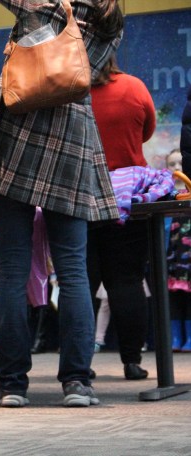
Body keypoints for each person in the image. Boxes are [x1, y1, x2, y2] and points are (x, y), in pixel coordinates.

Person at [0, 0, 124, 407]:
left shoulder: (44, 4)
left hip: (17, 135)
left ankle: (12, 385)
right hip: (71, 142)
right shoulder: (111, 18)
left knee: (13, 270)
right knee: (73, 271)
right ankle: (77, 382)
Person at [87, 54, 156, 380]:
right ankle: (132, 361)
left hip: (83, 195)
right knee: (127, 280)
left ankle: (78, 364)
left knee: (81, 282)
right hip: (128, 197)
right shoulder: (134, 87)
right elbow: (146, 132)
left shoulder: (72, 94)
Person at [166, 149, 191, 352]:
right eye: (172, 164)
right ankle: (175, 337)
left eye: (180, 163)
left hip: (188, 257)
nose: (176, 167)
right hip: (171, 257)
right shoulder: (164, 192)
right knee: (173, 298)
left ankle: (189, 337)